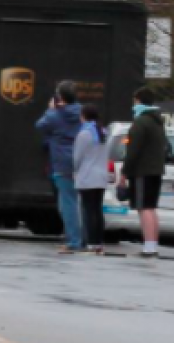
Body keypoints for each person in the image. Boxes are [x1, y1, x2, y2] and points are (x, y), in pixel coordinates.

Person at [119, 87, 167, 258]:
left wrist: (124, 172)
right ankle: (152, 244)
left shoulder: (140, 122)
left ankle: (148, 248)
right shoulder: (157, 122)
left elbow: (133, 150)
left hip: (142, 171)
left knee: (143, 208)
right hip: (155, 170)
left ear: (138, 100)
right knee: (151, 208)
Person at [36, 81, 83, 253]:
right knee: (74, 202)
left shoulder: (55, 115)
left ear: (60, 97)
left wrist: (51, 109)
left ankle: (74, 241)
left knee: (67, 203)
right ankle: (76, 237)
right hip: (79, 160)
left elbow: (40, 125)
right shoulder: (81, 112)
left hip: (62, 163)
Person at [74, 104, 109, 255]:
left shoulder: (84, 134)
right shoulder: (104, 131)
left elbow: (77, 157)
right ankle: (98, 242)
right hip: (101, 176)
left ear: (84, 116)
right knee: (97, 209)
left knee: (88, 210)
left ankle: (90, 242)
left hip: (87, 176)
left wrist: (75, 170)